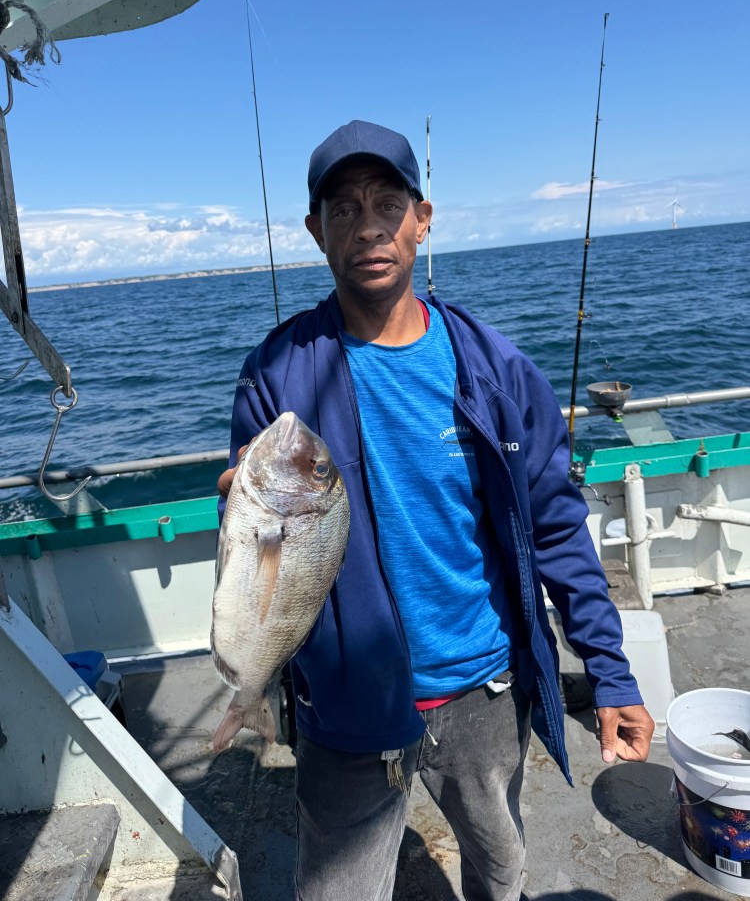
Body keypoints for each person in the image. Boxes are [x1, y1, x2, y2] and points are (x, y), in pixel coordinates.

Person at [218, 120, 654, 901]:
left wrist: (611, 674)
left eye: (388, 204)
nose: (368, 227)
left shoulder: (496, 367)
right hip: (345, 700)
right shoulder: (276, 374)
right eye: (344, 210)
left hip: (484, 687)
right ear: (316, 231)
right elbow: (260, 559)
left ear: (423, 219)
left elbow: (556, 525)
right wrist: (237, 511)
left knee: (501, 869)